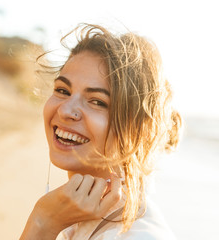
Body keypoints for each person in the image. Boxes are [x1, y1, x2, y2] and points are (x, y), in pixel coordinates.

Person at [20, 24, 182, 240]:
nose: (66, 110)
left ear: (137, 127)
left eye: (97, 101)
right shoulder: (78, 218)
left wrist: (42, 223)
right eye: (62, 90)